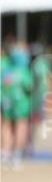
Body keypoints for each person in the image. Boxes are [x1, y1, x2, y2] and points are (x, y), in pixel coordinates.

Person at [1, 40, 33, 169]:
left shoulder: (6, 70)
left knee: (7, 125)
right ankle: (17, 155)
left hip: (7, 101)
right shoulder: (24, 71)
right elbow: (29, 86)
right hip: (22, 103)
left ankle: (5, 152)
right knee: (21, 125)